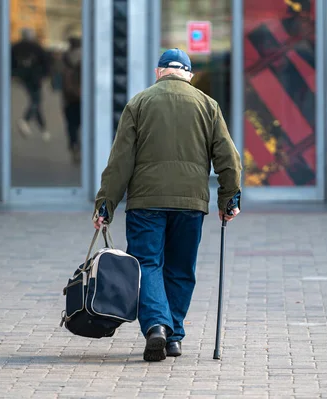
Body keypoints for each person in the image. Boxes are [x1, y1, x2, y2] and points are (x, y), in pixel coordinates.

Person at [92, 48, 242, 362]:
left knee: (147, 264)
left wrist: (105, 205)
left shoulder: (139, 103)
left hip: (146, 201)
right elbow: (228, 159)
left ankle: (157, 326)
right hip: (191, 202)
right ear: (188, 74)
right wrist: (229, 199)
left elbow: (120, 161)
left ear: (159, 72)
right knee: (180, 269)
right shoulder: (207, 105)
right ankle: (173, 337)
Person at [11, 29, 51, 141]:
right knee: (36, 101)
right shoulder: (37, 47)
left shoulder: (16, 47)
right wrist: (45, 75)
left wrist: (15, 74)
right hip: (35, 78)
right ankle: (25, 120)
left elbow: (11, 62)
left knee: (36, 102)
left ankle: (44, 130)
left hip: (23, 77)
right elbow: (46, 62)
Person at [61, 36, 82, 163]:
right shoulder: (88, 56)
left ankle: (74, 145)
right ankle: (81, 147)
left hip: (69, 97)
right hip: (84, 97)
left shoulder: (65, 59)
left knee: (71, 125)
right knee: (84, 124)